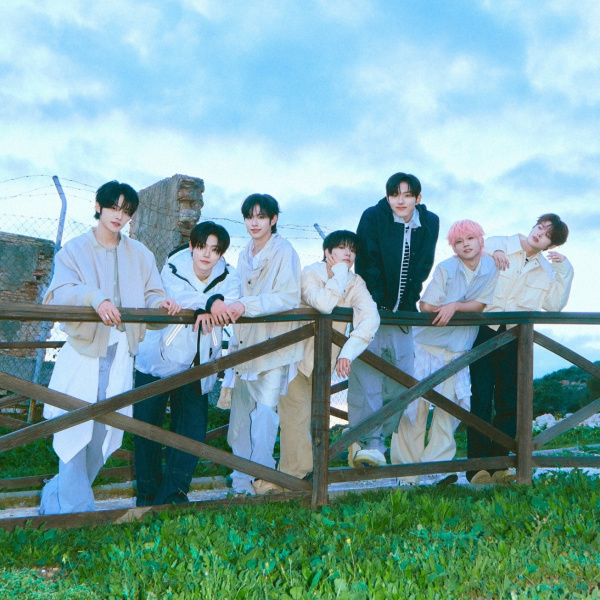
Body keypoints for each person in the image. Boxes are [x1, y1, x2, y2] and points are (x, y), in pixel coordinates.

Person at [39, 180, 180, 515]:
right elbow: (59, 293)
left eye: (126, 211)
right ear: (98, 206)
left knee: (103, 435)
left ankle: (54, 496)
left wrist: (161, 306)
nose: (119, 216)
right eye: (114, 207)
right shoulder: (74, 250)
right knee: (74, 428)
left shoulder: (141, 254)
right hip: (83, 353)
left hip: (121, 354)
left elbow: (153, 295)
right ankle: (75, 513)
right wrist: (94, 297)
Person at [133, 221, 241, 506]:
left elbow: (233, 299)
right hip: (158, 361)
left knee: (191, 431)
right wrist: (211, 304)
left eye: (214, 250)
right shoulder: (172, 267)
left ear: (221, 254)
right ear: (192, 246)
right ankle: (147, 495)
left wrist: (214, 304)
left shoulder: (230, 275)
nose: (206, 254)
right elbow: (177, 295)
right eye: (201, 247)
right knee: (147, 428)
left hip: (199, 365)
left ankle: (173, 495)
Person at [468, 214, 574, 484]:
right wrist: (493, 253)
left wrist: (565, 270)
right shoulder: (499, 242)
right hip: (483, 330)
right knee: (480, 398)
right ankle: (476, 469)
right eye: (540, 227)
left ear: (551, 245)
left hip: (516, 336)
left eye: (547, 234)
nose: (540, 233)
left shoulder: (546, 270)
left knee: (509, 401)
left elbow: (554, 305)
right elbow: (470, 256)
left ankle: (500, 465)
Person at [391, 220, 498, 483]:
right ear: (453, 247)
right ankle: (406, 475)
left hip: (458, 349)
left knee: (448, 411)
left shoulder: (490, 266)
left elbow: (481, 303)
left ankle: (436, 470)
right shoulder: (446, 268)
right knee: (413, 409)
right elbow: (427, 305)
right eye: (459, 242)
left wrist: (455, 306)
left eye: (470, 239)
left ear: (481, 240)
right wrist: (450, 306)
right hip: (426, 345)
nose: (465, 245)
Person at [347, 172, 439, 467]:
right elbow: (368, 263)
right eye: (395, 194)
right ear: (387, 197)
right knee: (367, 380)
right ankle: (372, 444)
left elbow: (423, 265)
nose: (401, 200)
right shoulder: (373, 217)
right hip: (371, 313)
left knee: (402, 380)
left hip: (404, 315)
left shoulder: (430, 222)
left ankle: (370, 439)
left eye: (407, 194)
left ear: (418, 198)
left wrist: (407, 302)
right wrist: (377, 306)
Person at [278, 230, 380, 480]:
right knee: (296, 418)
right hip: (294, 357)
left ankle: (312, 478)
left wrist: (348, 352)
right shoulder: (310, 273)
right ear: (327, 252)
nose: (348, 253)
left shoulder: (355, 282)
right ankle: (298, 480)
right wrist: (341, 273)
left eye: (352, 250)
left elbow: (370, 318)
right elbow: (323, 304)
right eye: (342, 248)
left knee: (319, 421)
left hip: (324, 362)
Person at [223, 193, 303, 496]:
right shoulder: (244, 253)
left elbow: (288, 297)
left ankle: (263, 480)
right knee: (240, 416)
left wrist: (246, 305)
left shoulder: (285, 251)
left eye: (261, 216)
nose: (254, 223)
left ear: (273, 219)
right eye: (249, 217)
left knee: (265, 415)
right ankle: (241, 482)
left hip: (273, 345)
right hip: (244, 345)